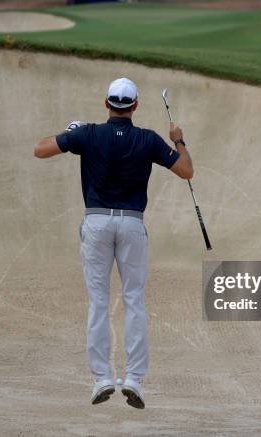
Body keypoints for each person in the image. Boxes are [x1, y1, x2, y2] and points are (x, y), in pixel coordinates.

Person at [34, 78, 193, 409]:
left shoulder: (88, 133)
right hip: (132, 224)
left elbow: (41, 149)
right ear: (135, 106)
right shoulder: (148, 138)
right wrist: (179, 141)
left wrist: (69, 132)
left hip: (96, 223)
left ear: (106, 103)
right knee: (134, 301)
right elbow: (186, 171)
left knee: (98, 302)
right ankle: (134, 379)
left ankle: (102, 378)